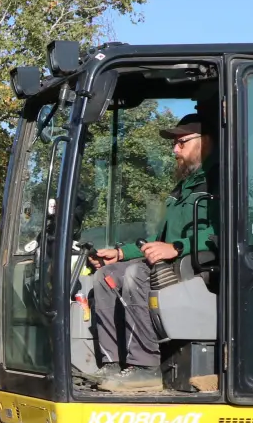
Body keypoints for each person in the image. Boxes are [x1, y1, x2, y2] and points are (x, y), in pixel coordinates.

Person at [86, 113, 216, 392]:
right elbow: (158, 241)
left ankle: (146, 366)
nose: (175, 150)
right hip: (172, 261)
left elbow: (225, 232)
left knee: (135, 274)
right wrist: (121, 253)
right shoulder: (182, 188)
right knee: (107, 276)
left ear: (205, 142)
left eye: (181, 143)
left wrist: (178, 247)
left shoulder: (221, 183)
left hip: (201, 264)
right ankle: (112, 364)